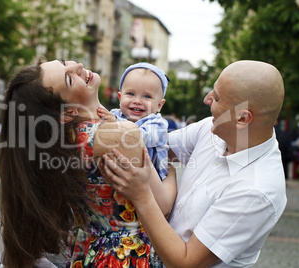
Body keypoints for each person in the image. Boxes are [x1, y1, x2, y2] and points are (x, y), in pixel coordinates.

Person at [101, 60, 287, 267]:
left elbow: (185, 262)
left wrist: (142, 194)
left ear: (242, 119)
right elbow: (153, 149)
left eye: (216, 98)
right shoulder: (213, 129)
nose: (207, 100)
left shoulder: (257, 190)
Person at [0, 59, 177, 268]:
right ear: (68, 112)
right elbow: (162, 205)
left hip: (86, 255)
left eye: (65, 63)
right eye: (69, 78)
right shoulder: (119, 134)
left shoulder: (65, 139)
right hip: (128, 256)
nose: (78, 67)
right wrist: (171, 171)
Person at [97, 62, 170, 180]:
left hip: (149, 182)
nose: (137, 101)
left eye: (147, 96)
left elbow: (138, 138)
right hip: (118, 172)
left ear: (159, 105)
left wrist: (115, 123)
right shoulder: (115, 114)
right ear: (120, 98)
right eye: (130, 94)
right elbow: (97, 112)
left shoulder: (157, 124)